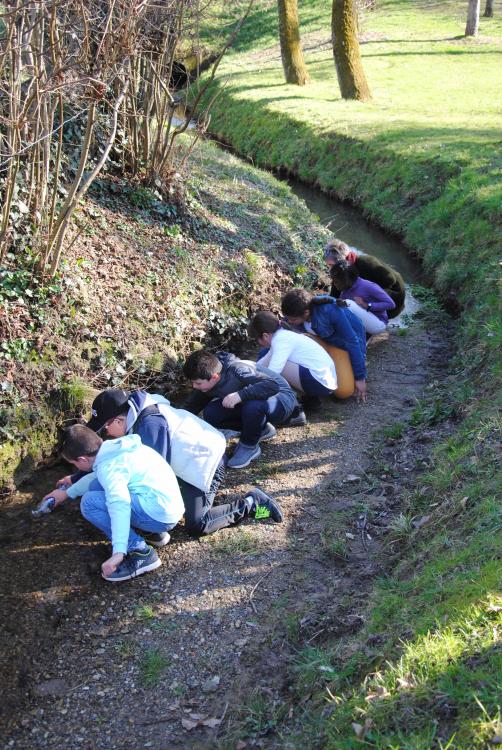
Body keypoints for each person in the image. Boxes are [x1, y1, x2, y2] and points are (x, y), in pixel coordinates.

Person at [57, 388, 283, 536]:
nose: (105, 434)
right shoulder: (139, 410)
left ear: (118, 419)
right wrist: (76, 479)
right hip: (191, 456)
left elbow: (153, 474)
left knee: (198, 525)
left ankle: (253, 505)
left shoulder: (149, 427)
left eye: (105, 427)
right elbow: (111, 460)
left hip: (206, 462)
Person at [44, 424, 185, 582]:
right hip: (167, 506)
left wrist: (118, 552)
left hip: (159, 516)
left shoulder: (109, 468)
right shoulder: (116, 448)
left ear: (82, 459)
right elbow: (97, 478)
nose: (75, 468)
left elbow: (120, 505)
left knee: (89, 503)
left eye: (74, 464)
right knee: (96, 485)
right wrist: (66, 493)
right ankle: (152, 533)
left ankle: (141, 552)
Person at [183, 350, 297, 468]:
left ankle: (249, 446)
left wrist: (240, 395)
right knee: (211, 413)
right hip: (254, 403)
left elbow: (272, 386)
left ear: (215, 377)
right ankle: (262, 429)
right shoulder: (207, 379)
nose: (194, 386)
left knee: (253, 405)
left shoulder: (238, 369)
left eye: (197, 383)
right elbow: (191, 406)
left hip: (281, 399)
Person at [281, 289, 367, 402]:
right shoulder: (297, 313)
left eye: (293, 319)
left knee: (344, 391)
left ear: (306, 313)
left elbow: (352, 341)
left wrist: (360, 377)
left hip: (341, 345)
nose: (289, 321)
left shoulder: (330, 311)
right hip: (322, 341)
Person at [248, 311, 337, 399]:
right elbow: (262, 364)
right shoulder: (281, 336)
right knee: (270, 362)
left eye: (257, 340)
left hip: (320, 384)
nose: (258, 343)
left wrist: (248, 391)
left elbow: (273, 373)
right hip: (324, 382)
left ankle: (291, 399)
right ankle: (309, 399)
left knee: (273, 372)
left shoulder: (281, 340)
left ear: (265, 335)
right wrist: (247, 372)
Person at [324, 238, 405, 317]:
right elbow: (335, 294)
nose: (330, 268)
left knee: (353, 300)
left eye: (331, 265)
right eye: (328, 265)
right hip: (378, 296)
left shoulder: (366, 263)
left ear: (342, 260)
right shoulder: (342, 269)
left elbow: (390, 280)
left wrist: (367, 296)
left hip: (394, 297)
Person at [329, 260, 396, 334]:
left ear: (346, 280)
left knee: (347, 303)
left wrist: (367, 305)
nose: (334, 284)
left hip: (378, 324)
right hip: (364, 323)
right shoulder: (345, 289)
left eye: (336, 282)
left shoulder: (368, 286)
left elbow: (391, 304)